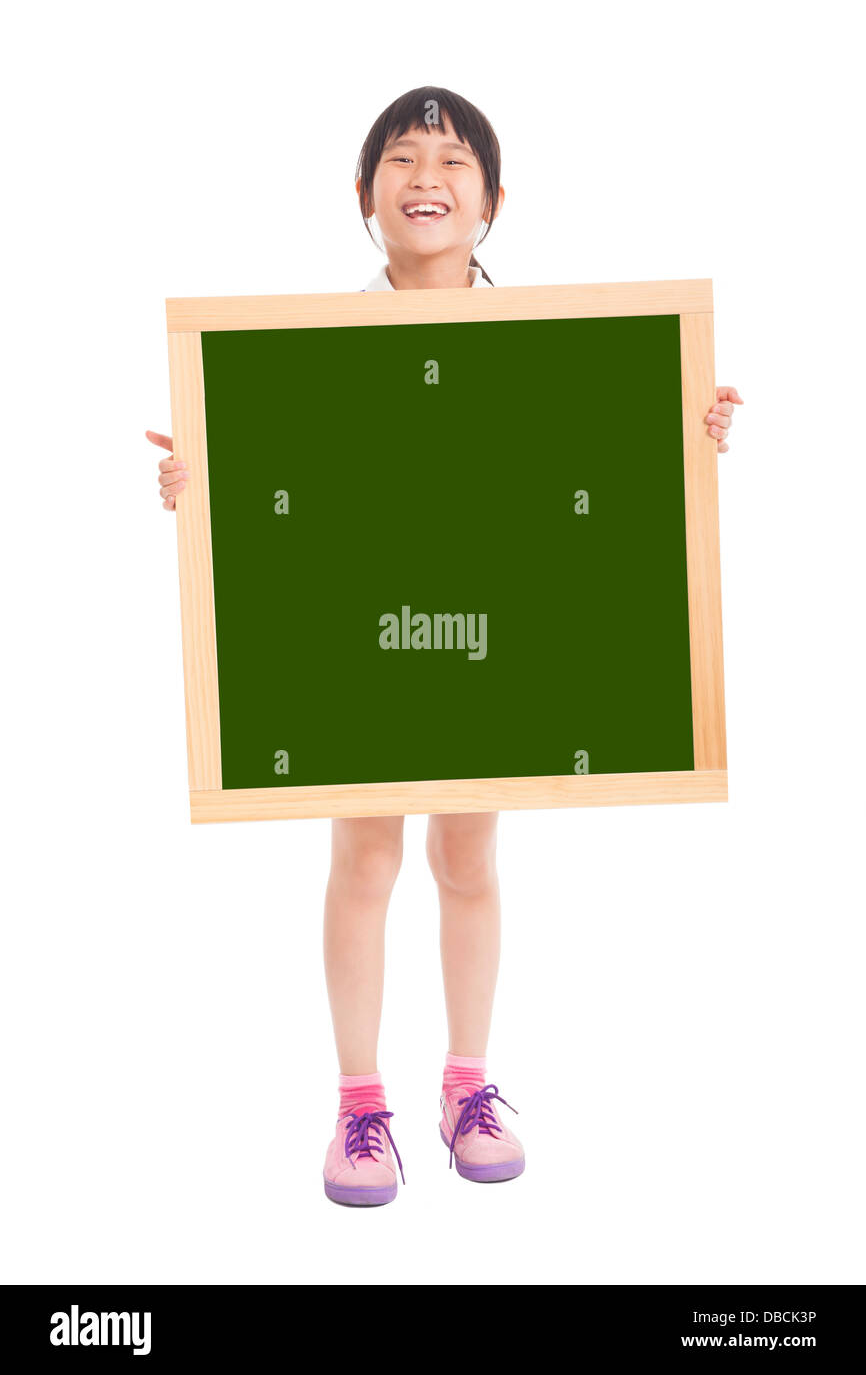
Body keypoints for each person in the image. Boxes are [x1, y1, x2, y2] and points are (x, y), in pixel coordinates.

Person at [146, 86, 744, 1207]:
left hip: (492, 641)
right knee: (365, 858)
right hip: (363, 640)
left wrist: (683, 425)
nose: (428, 175)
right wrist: (199, 479)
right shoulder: (305, 351)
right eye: (403, 157)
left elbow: (601, 484)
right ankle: (359, 1106)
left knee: (467, 858)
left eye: (454, 159)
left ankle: (467, 1087)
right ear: (364, 195)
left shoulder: (557, 349)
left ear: (494, 200)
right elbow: (280, 503)